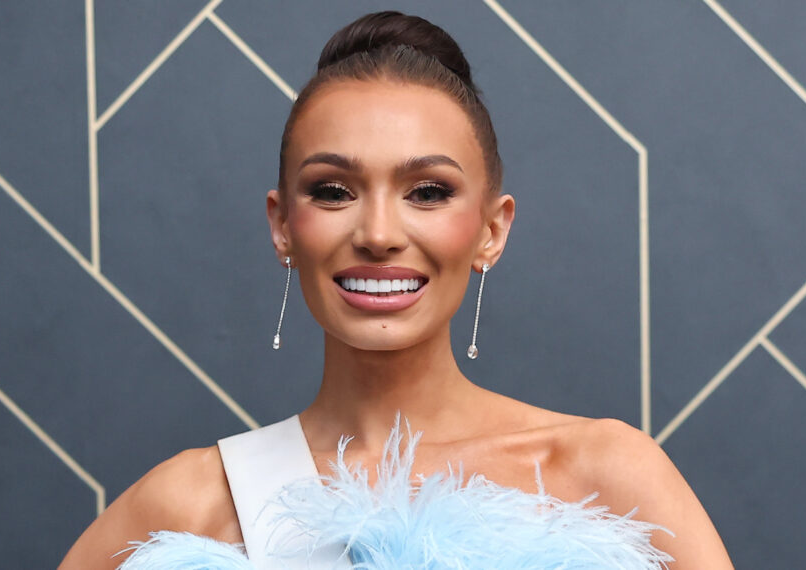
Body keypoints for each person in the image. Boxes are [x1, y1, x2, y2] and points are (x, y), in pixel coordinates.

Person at [60, 11, 733, 569]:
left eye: (428, 192)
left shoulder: (602, 481)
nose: (378, 233)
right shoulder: (192, 505)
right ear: (282, 227)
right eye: (332, 191)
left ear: (492, 231)